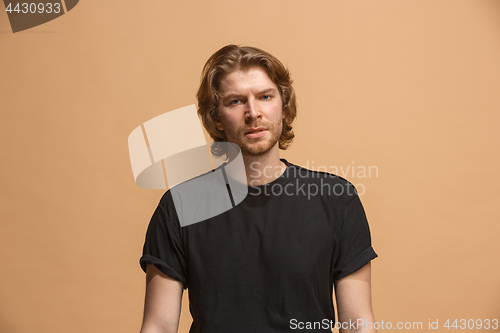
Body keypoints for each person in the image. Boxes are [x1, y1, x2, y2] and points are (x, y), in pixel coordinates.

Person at [139, 45, 378, 333]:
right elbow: (158, 327)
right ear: (216, 117)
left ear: (284, 106)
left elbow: (358, 325)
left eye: (265, 97)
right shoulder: (180, 206)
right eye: (236, 101)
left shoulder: (336, 200)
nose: (253, 113)